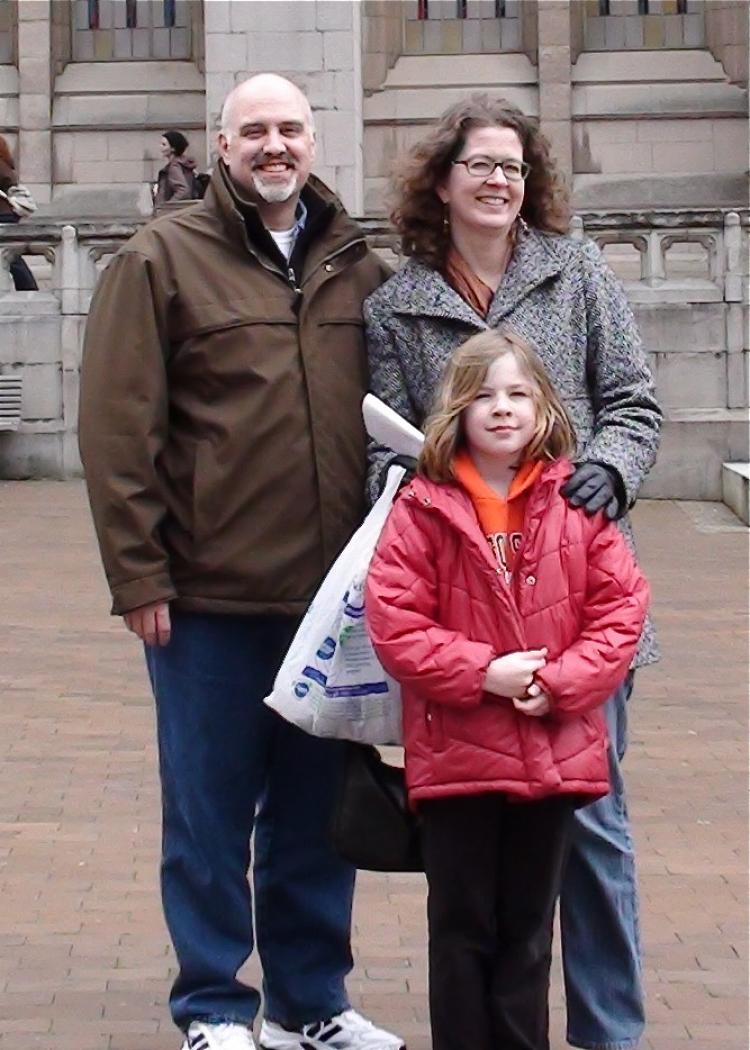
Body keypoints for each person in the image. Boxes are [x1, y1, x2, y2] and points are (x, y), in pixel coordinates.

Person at [79, 73, 400, 1050]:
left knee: (318, 817)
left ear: (314, 142)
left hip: (329, 606)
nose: (274, 145)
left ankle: (313, 1002)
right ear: (222, 147)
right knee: (209, 815)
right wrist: (139, 576)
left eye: (290, 129)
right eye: (254, 129)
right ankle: (214, 1006)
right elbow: (117, 431)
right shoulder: (159, 262)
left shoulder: (360, 268)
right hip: (206, 601)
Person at [364, 94, 662, 1050]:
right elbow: (381, 449)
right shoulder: (395, 303)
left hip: (572, 599)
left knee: (596, 834)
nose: (500, 181)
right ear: (441, 182)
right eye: (480, 164)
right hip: (462, 616)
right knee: (475, 866)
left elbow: (634, 404)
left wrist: (604, 479)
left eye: (515, 167)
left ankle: (608, 1032)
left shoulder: (576, 272)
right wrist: (419, 495)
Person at [0, 134, 38, 291]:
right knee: (11, 254)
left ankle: (29, 288)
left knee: (11, 255)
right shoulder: (4, 163)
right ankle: (28, 287)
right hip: (6, 213)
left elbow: (9, 183)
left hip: (3, 213)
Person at [154, 129, 199, 206]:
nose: (160, 147)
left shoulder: (174, 166)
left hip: (171, 214)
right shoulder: (184, 164)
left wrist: (168, 207)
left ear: (173, 148)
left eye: (164, 145)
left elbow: (183, 191)